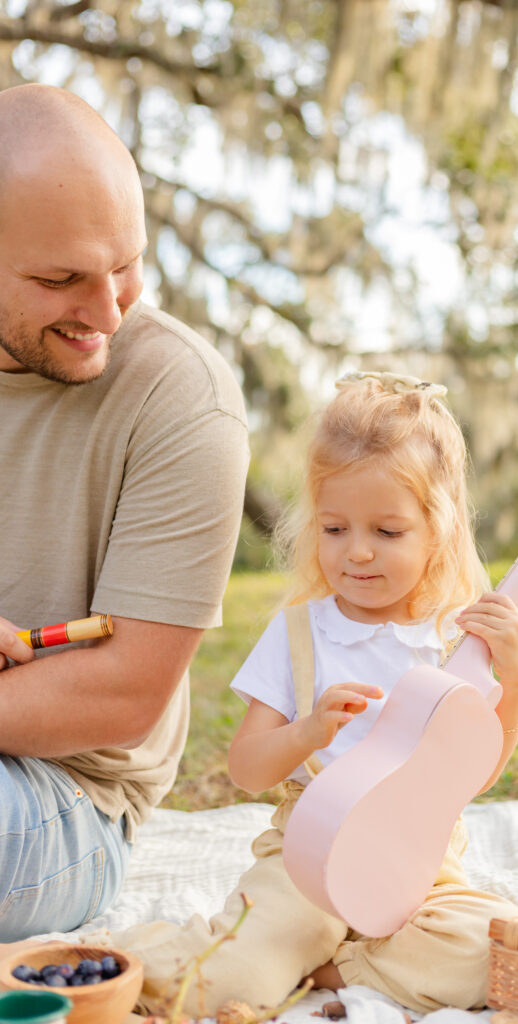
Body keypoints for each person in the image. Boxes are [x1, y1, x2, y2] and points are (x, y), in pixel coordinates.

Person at [113, 371, 518, 1019]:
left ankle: (335, 970)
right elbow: (247, 768)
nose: (357, 553)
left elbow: (470, 781)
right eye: (335, 529)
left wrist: (516, 683)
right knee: (226, 980)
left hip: (417, 858)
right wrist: (307, 732)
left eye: (386, 532)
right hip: (307, 855)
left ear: (438, 530)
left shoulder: (454, 639)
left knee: (492, 952)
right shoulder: (298, 634)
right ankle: (188, 957)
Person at [0, 83, 249, 941]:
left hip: (60, 798)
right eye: (60, 279)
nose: (108, 312)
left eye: (126, 265)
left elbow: (123, 692)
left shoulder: (184, 398)